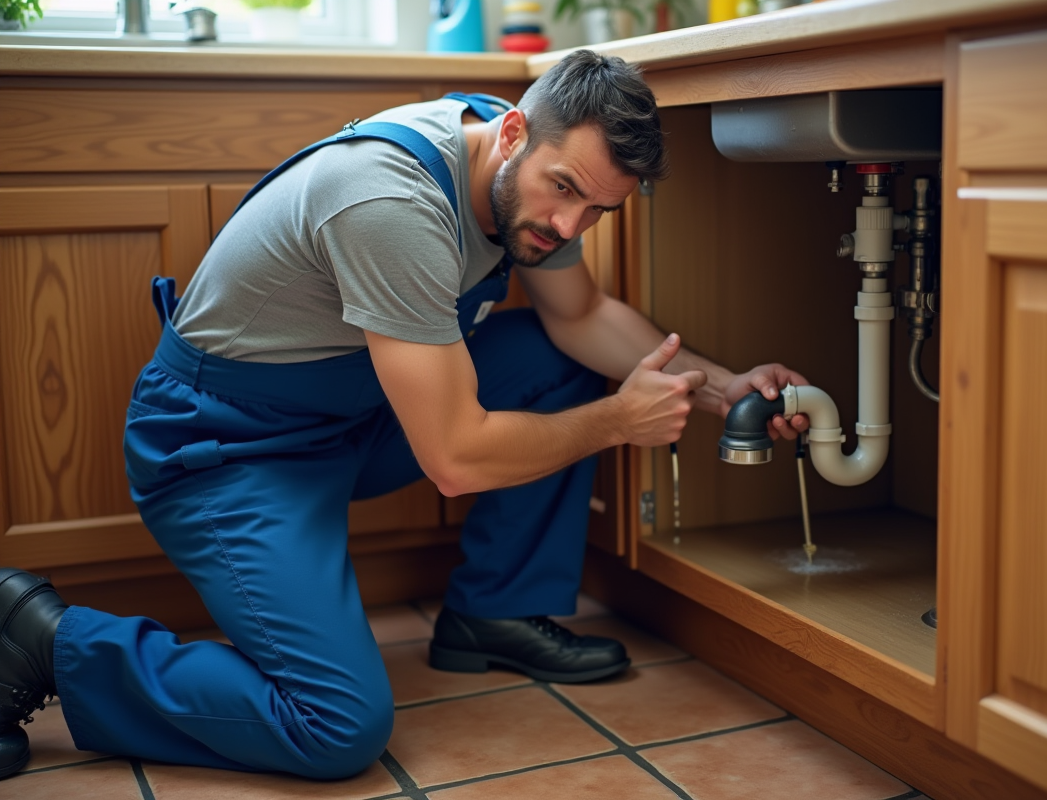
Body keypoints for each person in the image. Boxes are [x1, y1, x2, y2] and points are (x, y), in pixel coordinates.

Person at [0, 50, 807, 781]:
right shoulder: (391, 200)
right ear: (513, 132)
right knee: (336, 726)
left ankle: (495, 612)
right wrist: (618, 421)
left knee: (558, 358)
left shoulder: (527, 170)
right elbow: (455, 459)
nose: (569, 227)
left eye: (598, 210)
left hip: (351, 417)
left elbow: (583, 315)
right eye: (564, 190)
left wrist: (725, 387)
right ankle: (44, 639)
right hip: (228, 446)